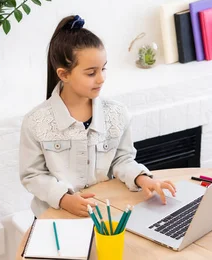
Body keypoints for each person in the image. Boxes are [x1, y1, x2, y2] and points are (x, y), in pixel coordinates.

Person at [19, 15, 176, 218]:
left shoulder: (117, 114)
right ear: (64, 74)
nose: (101, 78)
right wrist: (64, 199)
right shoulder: (35, 122)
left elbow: (122, 159)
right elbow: (32, 175)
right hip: (55, 216)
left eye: (103, 69)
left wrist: (143, 179)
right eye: (91, 73)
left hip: (104, 213)